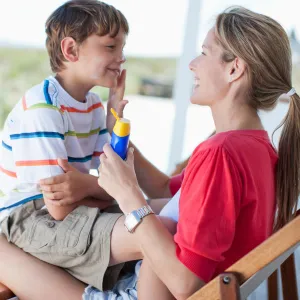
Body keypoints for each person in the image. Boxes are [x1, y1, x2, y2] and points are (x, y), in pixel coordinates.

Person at [1, 5, 300, 300]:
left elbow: (185, 284)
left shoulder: (221, 153)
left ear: (234, 69)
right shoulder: (256, 148)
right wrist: (114, 130)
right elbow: (163, 190)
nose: (192, 64)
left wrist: (128, 196)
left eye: (205, 53)